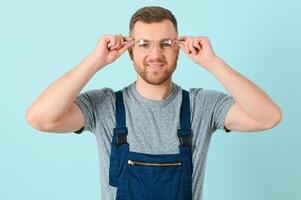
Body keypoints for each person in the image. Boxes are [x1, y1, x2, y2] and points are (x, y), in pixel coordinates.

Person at [25, 6, 282, 200]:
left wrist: (212, 63)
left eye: (166, 44)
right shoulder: (104, 106)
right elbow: (40, 118)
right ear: (130, 51)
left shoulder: (202, 105)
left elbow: (268, 117)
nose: (155, 55)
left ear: (179, 49)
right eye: (144, 44)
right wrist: (95, 61)